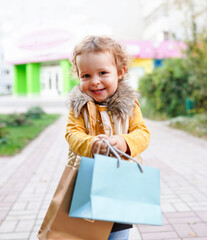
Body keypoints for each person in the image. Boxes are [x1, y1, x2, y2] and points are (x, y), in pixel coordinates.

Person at [65, 35, 150, 240]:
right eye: (86, 75)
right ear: (78, 75)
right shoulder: (79, 107)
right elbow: (72, 134)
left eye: (103, 73)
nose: (95, 81)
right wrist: (91, 143)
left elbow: (142, 133)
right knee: (87, 233)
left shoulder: (130, 105)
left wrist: (124, 142)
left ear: (120, 72)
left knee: (118, 233)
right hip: (86, 180)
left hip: (120, 181)